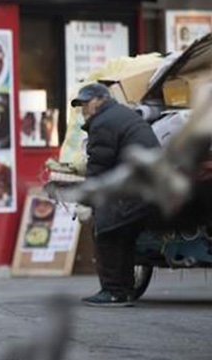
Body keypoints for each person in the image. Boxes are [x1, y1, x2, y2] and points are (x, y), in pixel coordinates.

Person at [71, 83, 159, 307]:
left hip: (134, 188)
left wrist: (87, 201)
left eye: (86, 103)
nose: (84, 109)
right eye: (81, 105)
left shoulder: (104, 122)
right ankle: (125, 290)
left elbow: (99, 166)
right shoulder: (119, 115)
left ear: (100, 99)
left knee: (106, 229)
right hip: (147, 186)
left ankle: (113, 291)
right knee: (123, 236)